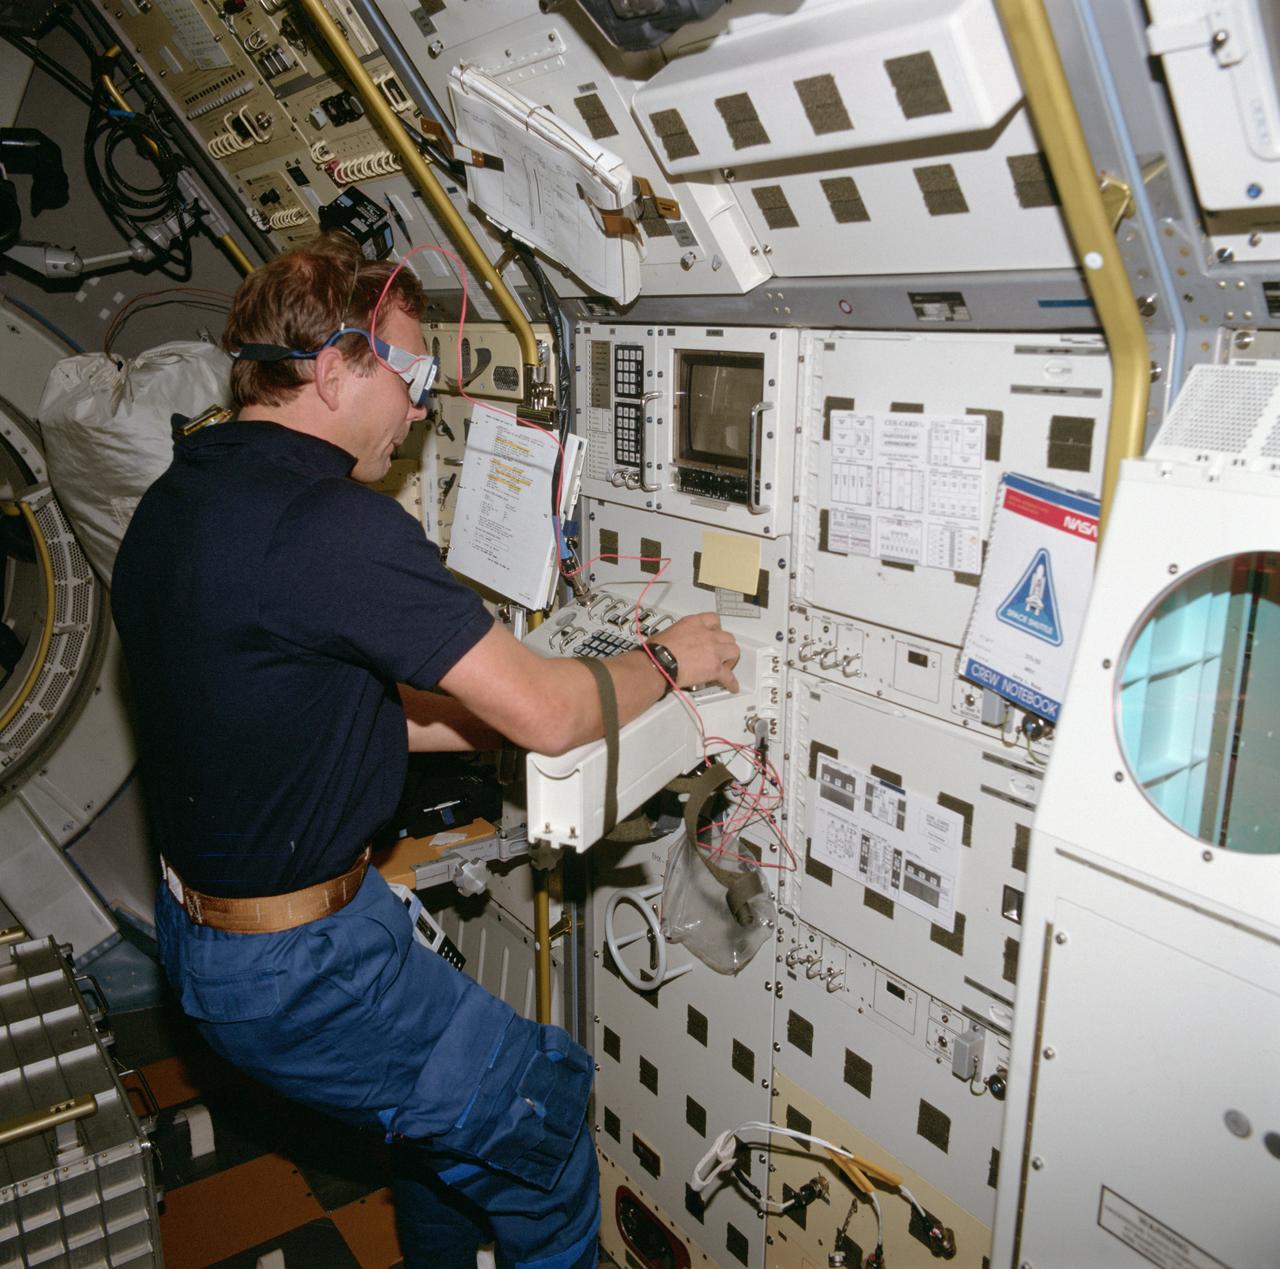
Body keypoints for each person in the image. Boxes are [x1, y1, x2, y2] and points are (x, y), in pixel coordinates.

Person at [110, 230, 741, 1269]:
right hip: (301, 966)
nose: (417, 411)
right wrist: (668, 659)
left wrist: (495, 709)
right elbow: (546, 713)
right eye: (408, 377)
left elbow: (313, 710)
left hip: (217, 938)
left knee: (441, 1131)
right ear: (329, 369)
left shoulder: (184, 496)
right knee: (539, 1123)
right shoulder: (331, 524)